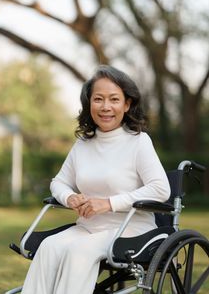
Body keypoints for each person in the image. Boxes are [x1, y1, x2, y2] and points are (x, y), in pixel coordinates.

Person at [21, 65, 170, 294]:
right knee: (49, 247)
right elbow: (58, 182)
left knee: (79, 251)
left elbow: (161, 189)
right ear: (89, 103)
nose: (106, 107)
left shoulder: (138, 142)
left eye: (114, 99)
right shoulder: (83, 144)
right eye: (98, 99)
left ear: (127, 104)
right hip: (88, 227)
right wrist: (69, 197)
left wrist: (108, 203)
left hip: (130, 229)